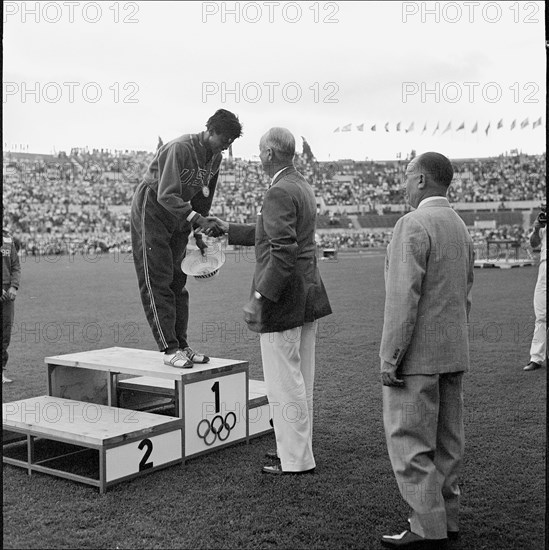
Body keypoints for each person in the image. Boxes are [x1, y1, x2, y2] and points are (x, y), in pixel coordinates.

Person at [207, 127, 332, 475]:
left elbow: (281, 250)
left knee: (283, 382)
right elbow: (272, 235)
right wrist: (228, 229)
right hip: (307, 293)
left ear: (271, 154)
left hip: (285, 299)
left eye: (260, 150)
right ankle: (296, 452)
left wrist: (260, 297)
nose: (258, 156)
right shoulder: (300, 185)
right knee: (300, 378)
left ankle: (293, 459)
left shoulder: (278, 191)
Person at [379, 152, 474, 548]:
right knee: (448, 441)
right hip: (452, 350)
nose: (403, 184)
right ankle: (447, 519)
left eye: (406, 176)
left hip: (417, 355)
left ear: (420, 180)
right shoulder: (459, 225)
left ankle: (426, 526)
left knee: (410, 442)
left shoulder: (413, 223)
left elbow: (403, 298)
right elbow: (465, 291)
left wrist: (390, 356)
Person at [131, 109, 243, 368]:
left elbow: (203, 197)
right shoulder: (180, 148)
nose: (225, 147)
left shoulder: (215, 158)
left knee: (178, 281)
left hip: (181, 213)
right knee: (157, 280)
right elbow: (166, 194)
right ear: (210, 130)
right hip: (154, 209)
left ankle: (182, 344)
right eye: (224, 140)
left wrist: (200, 231)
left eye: (230, 143)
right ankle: (169, 349)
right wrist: (196, 219)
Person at [523, 206, 546, 371]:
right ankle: (536, 358)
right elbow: (533, 243)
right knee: (541, 314)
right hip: (544, 265)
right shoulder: (543, 223)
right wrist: (537, 228)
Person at [2, 227, 21, 384]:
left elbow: (15, 266)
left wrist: (14, 286)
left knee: (4, 334)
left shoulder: (8, 240)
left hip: (7, 294)